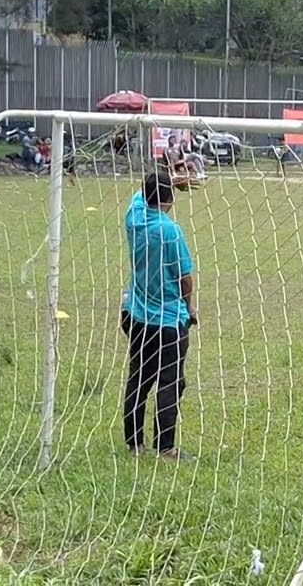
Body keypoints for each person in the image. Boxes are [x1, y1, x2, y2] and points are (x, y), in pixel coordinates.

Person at [121, 172, 197, 459]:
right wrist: (189, 306)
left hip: (137, 316)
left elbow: (138, 198)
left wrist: (168, 180)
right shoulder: (169, 230)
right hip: (167, 321)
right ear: (170, 199)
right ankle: (166, 447)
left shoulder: (135, 219)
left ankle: (135, 444)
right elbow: (185, 277)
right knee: (170, 381)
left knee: (139, 379)